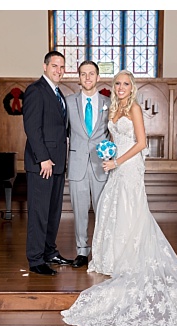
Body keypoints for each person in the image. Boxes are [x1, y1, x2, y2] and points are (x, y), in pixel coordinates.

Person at [60, 70, 177, 326]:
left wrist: (117, 162)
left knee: (131, 207)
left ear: (132, 87)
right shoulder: (113, 108)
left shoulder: (134, 108)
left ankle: (129, 255)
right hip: (115, 164)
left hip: (129, 166)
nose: (120, 87)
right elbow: (111, 138)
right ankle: (111, 255)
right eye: (117, 83)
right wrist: (109, 153)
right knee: (110, 206)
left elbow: (142, 143)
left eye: (125, 83)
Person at [23, 50, 72, 275]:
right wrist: (43, 158)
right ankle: (35, 260)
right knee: (39, 212)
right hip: (42, 164)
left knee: (53, 212)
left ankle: (49, 251)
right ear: (45, 67)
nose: (59, 70)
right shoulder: (36, 91)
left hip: (57, 164)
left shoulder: (58, 93)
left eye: (62, 67)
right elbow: (33, 129)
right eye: (55, 66)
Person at [65, 60, 109, 268]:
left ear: (98, 78)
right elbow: (64, 132)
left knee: (104, 211)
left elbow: (112, 133)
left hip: (102, 165)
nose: (88, 78)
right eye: (84, 74)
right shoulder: (68, 102)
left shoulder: (109, 103)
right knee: (80, 211)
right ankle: (82, 252)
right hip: (77, 163)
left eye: (92, 74)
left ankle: (102, 251)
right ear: (79, 78)